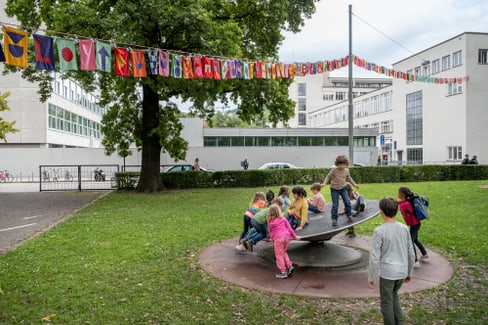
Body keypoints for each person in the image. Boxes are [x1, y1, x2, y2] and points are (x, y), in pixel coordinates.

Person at [368, 197, 415, 325]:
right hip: (401, 272)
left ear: (381, 212)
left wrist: (371, 276)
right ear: (397, 210)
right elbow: (411, 252)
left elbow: (374, 256)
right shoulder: (404, 228)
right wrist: (409, 272)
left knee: (387, 302)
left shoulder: (379, 231)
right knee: (394, 296)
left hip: (388, 274)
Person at [321, 155, 359, 227]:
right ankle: (334, 219)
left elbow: (349, 178)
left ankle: (349, 214)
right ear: (337, 164)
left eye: (343, 165)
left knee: (347, 202)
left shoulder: (346, 170)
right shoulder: (334, 170)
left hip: (343, 188)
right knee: (335, 205)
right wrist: (324, 183)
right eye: (340, 165)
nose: (341, 166)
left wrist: (354, 184)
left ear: (346, 164)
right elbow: (328, 176)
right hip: (334, 189)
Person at [397, 186, 429, 267]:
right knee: (415, 240)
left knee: (410, 242)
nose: (397, 194)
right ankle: (424, 253)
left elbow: (399, 206)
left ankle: (415, 261)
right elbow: (400, 202)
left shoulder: (405, 204)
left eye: (399, 193)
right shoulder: (409, 200)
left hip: (414, 225)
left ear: (402, 194)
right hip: (416, 224)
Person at [267, 203, 301, 279]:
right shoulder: (283, 219)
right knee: (283, 252)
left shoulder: (271, 221)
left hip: (278, 239)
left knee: (279, 255)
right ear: (279, 211)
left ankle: (283, 272)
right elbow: (289, 228)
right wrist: (294, 236)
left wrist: (272, 238)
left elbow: (271, 232)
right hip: (286, 238)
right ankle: (289, 266)